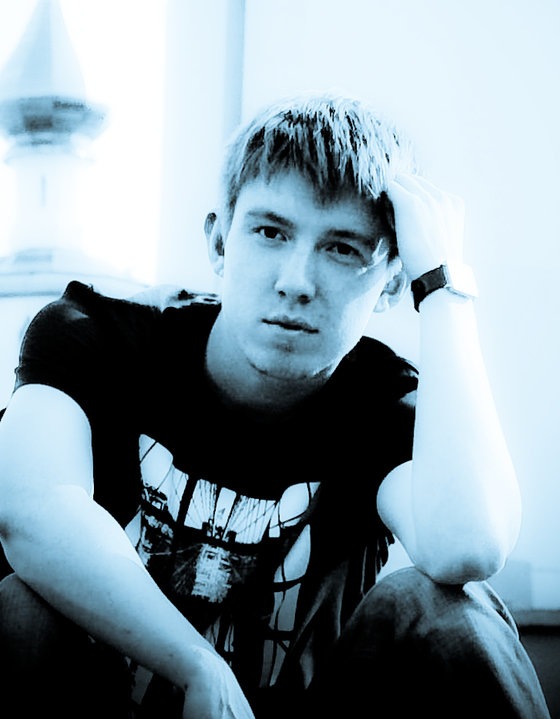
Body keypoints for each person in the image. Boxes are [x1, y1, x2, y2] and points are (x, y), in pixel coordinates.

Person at [0, 93, 551, 719]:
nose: (296, 281)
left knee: (445, 608)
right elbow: (33, 512)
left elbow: (468, 547)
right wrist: (196, 664)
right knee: (23, 606)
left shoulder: (382, 403)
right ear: (219, 243)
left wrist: (445, 290)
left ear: (392, 282)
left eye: (343, 248)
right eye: (270, 232)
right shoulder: (94, 333)